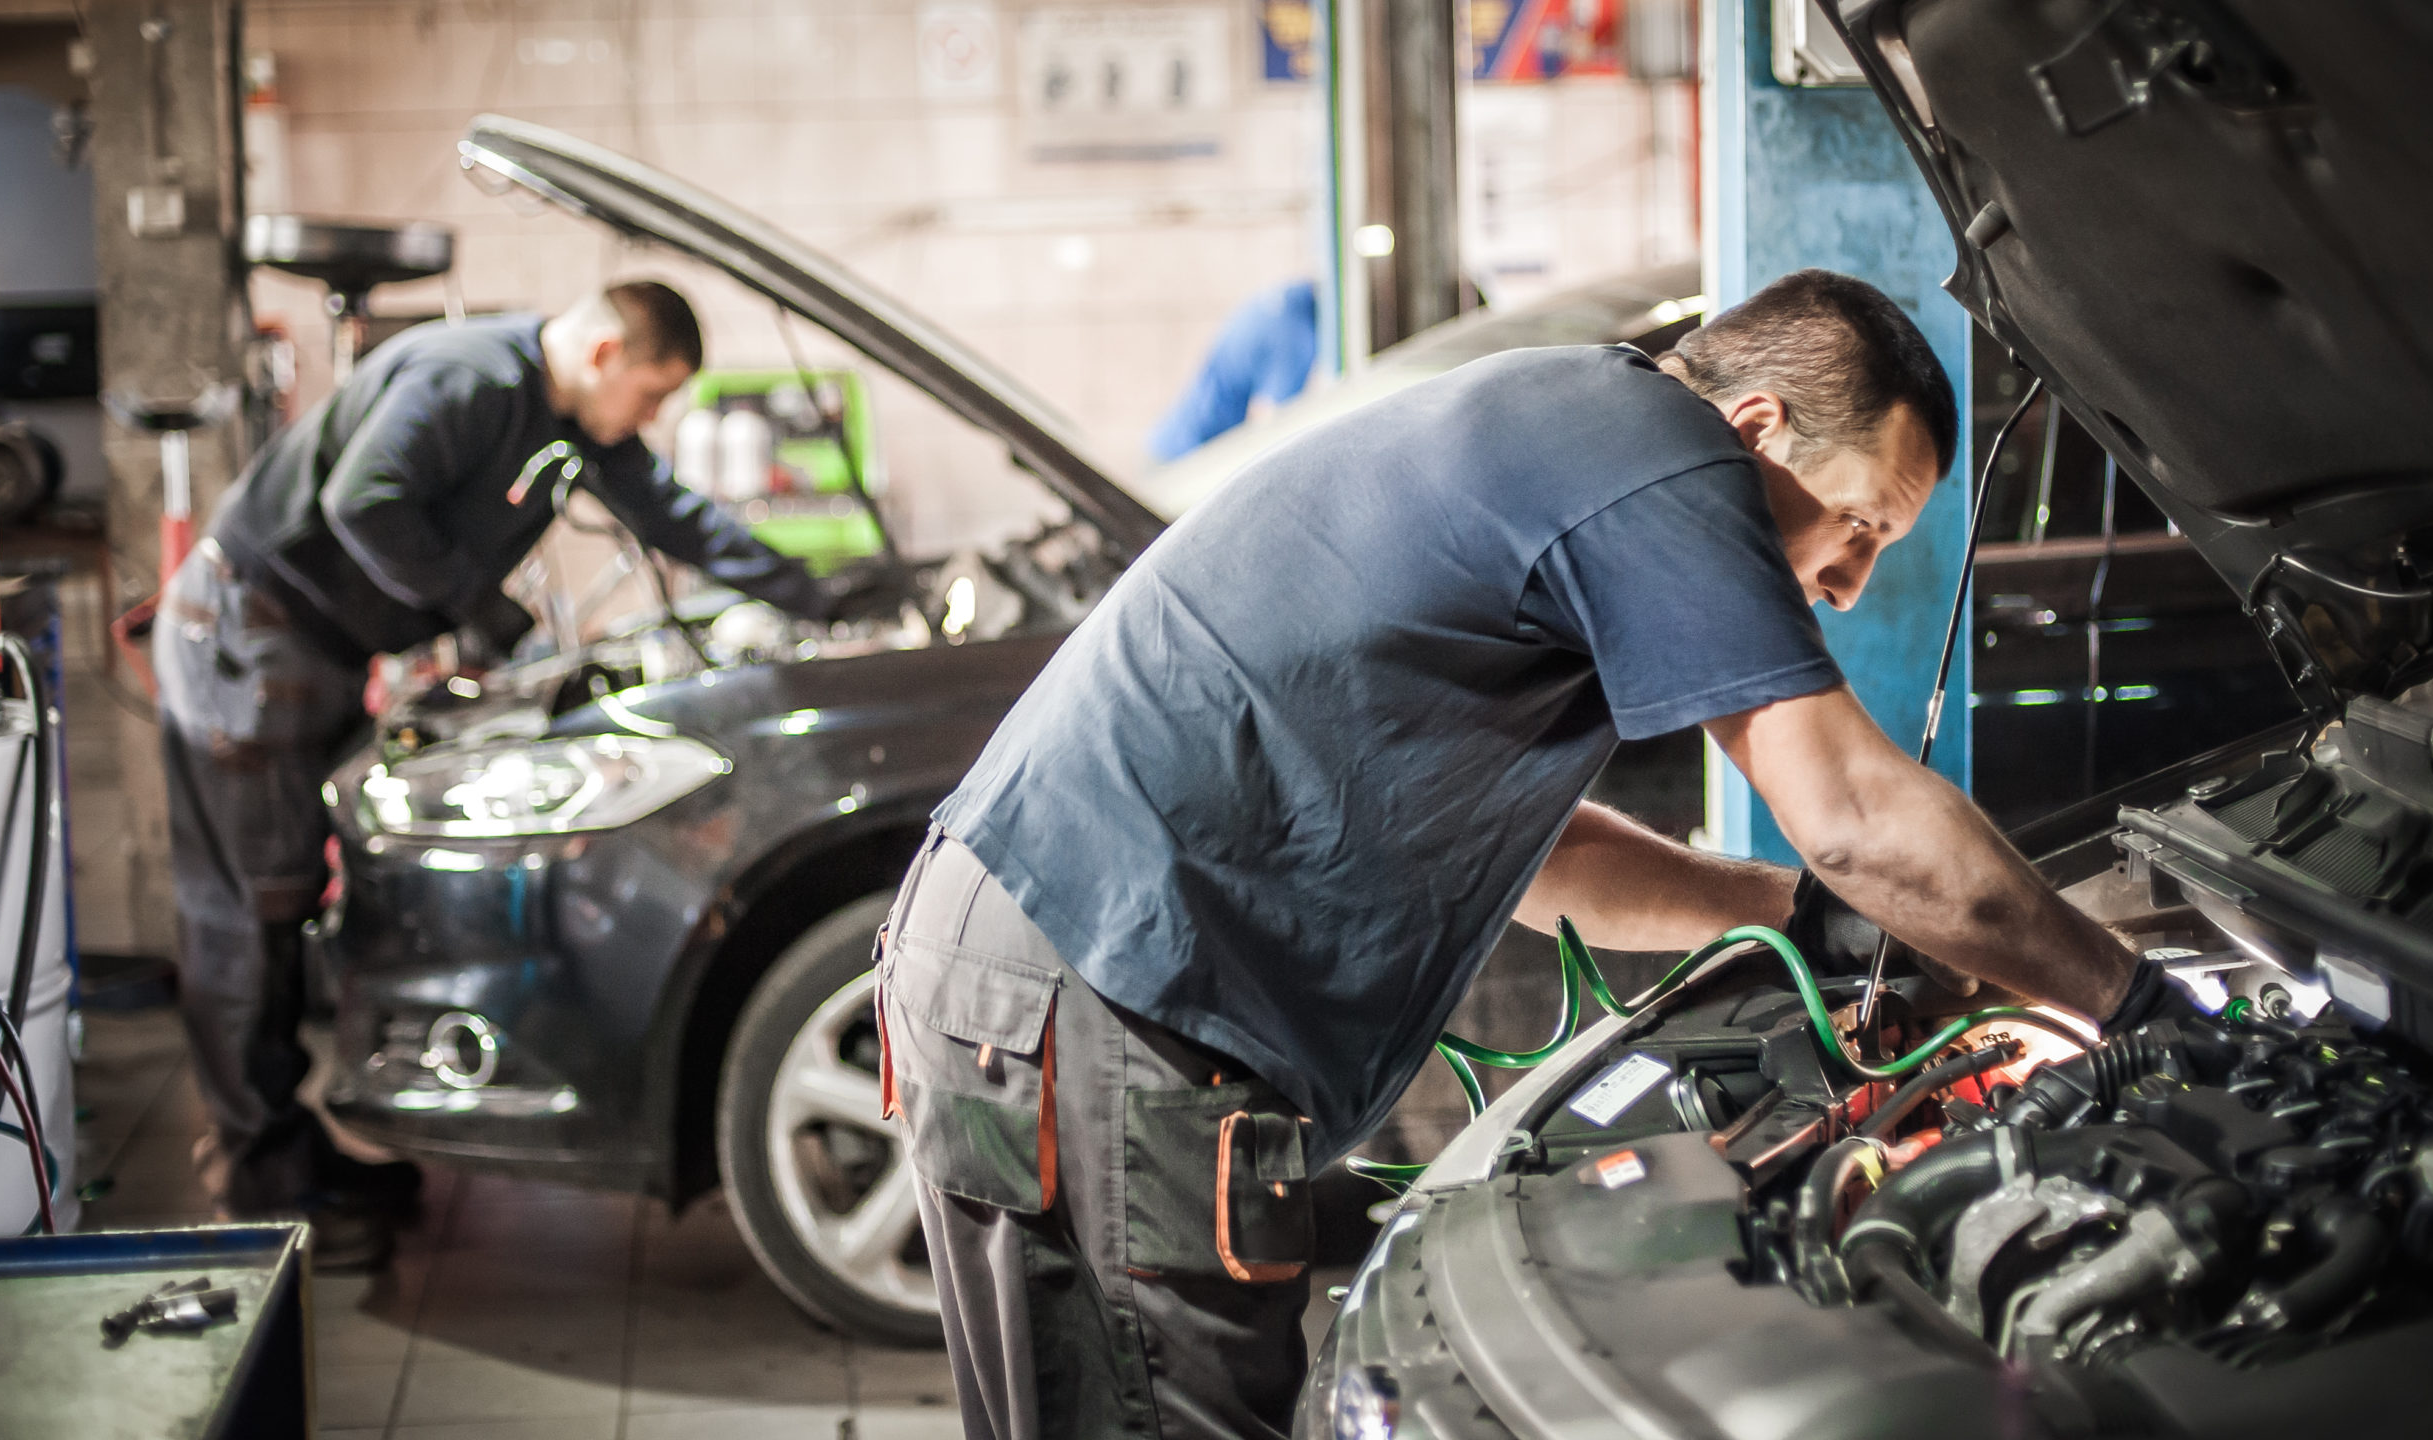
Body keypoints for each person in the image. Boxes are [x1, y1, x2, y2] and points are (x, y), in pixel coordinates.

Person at [881, 270, 2184, 1440]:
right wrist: (2135, 1005)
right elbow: (1846, 808)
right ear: (1756, 430)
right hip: (1097, 988)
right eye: (1861, 527)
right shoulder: (1658, 460)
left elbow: (1545, 857)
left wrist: (1790, 916)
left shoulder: (1567, 432)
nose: (1847, 582)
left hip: (1025, 973)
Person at [155, 281, 888, 1268]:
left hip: (310, 650)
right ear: (602, 355)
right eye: (652, 393)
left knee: (282, 901)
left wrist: (817, 594)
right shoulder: (467, 379)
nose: (653, 417)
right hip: (247, 637)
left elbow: (669, 514)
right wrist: (479, 608)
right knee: (252, 909)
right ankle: (258, 1186)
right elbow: (361, 501)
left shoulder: (571, 421)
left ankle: (290, 1157)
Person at [1147, 280, 1318, 461]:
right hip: (1187, 457)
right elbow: (1272, 430)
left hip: (1170, 444)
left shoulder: (1280, 300)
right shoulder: (1296, 336)